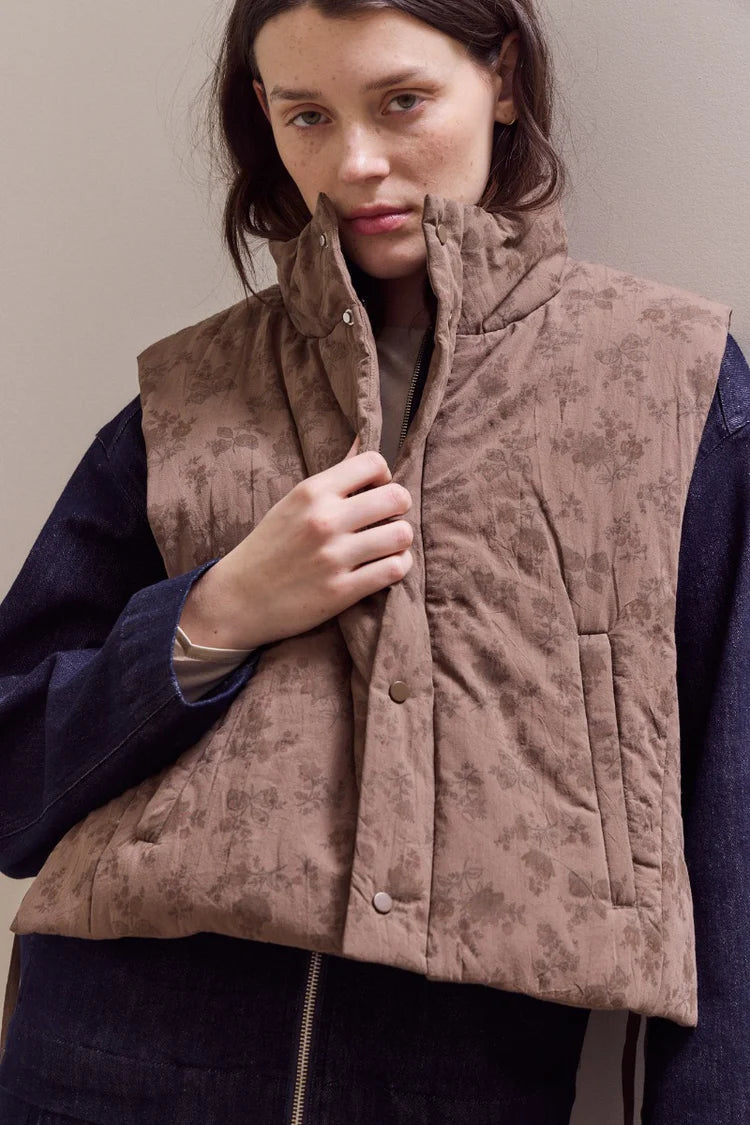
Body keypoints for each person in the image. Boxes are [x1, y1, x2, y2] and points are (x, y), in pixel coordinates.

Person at [0, 0, 747, 1121]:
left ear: (503, 80)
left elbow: (731, 827)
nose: (355, 164)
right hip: (102, 1068)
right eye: (308, 116)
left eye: (402, 101)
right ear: (265, 114)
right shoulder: (185, 397)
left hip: (452, 1085)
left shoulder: (665, 381)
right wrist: (214, 616)